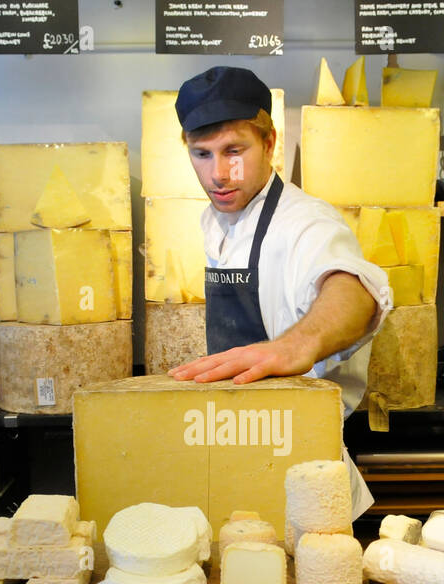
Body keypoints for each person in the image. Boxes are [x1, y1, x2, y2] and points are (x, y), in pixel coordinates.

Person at [167, 66, 393, 521]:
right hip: (237, 446)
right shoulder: (217, 219)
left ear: (269, 143)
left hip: (304, 467)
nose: (218, 174)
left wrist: (295, 345)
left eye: (234, 151)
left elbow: (352, 291)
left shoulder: (305, 222)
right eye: (202, 154)